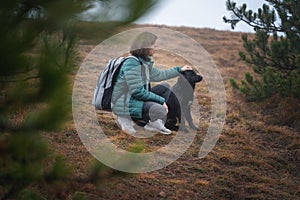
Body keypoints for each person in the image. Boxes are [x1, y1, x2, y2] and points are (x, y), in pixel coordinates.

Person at [112, 31, 192, 135]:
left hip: (133, 98)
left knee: (165, 87)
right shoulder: (132, 63)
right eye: (154, 45)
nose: (156, 48)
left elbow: (159, 75)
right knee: (159, 109)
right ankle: (124, 116)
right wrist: (161, 101)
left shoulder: (144, 62)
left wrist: (179, 69)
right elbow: (138, 92)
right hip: (124, 102)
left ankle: (151, 122)